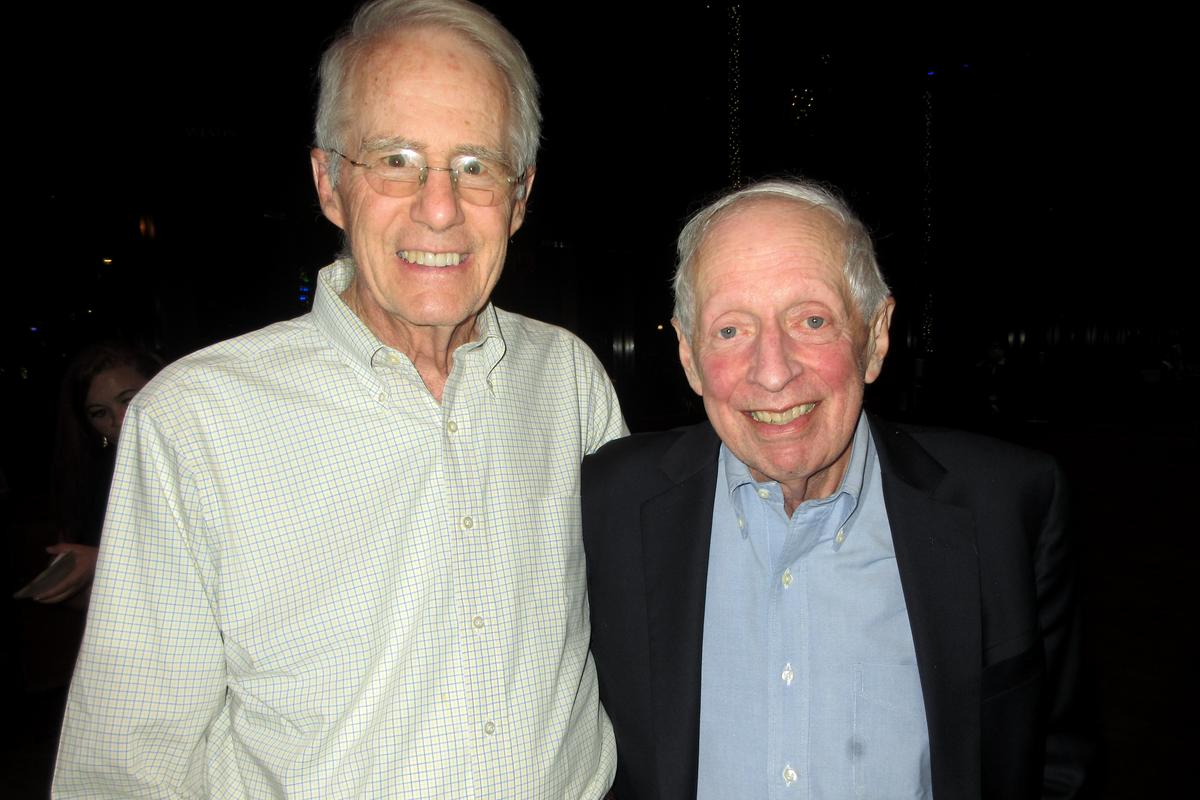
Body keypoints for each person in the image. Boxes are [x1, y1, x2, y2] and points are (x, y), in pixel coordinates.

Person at [53, 1, 625, 797]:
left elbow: (641, 627)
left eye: (476, 166)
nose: (439, 207)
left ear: (520, 196)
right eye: (395, 159)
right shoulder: (193, 422)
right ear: (329, 183)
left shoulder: (569, 380)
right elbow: (127, 766)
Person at [582, 179, 1094, 799]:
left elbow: (1050, 760)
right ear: (689, 357)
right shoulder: (607, 502)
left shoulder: (1008, 504)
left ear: (874, 337)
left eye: (812, 320)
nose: (773, 372)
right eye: (731, 330)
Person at [34, 343, 160, 606]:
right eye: (100, 413)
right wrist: (72, 573)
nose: (119, 420)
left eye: (128, 399)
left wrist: (100, 560)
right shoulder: (93, 476)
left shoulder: (205, 453)